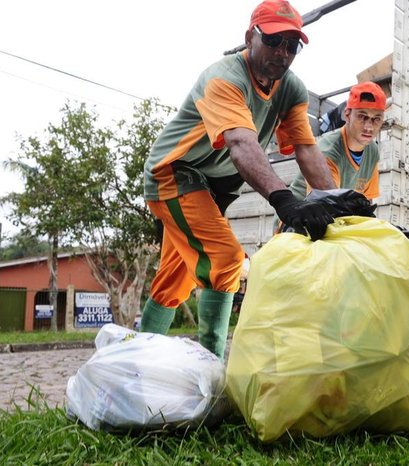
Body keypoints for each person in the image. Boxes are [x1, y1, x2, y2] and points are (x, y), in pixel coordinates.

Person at [139, 0, 347, 359]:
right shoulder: (225, 78)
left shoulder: (291, 88)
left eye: (292, 45)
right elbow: (240, 143)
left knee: (175, 279)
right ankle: (213, 364)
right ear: (251, 36)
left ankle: (132, 361)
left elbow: (306, 150)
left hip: (213, 189)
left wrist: (339, 201)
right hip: (174, 174)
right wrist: (285, 200)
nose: (282, 53)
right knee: (226, 260)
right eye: (273, 40)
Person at [287, 81, 387, 204]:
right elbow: (324, 204)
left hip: (334, 212)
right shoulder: (328, 151)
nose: (369, 127)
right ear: (347, 115)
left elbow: (366, 200)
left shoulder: (372, 151)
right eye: (362, 116)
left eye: (376, 119)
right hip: (297, 217)